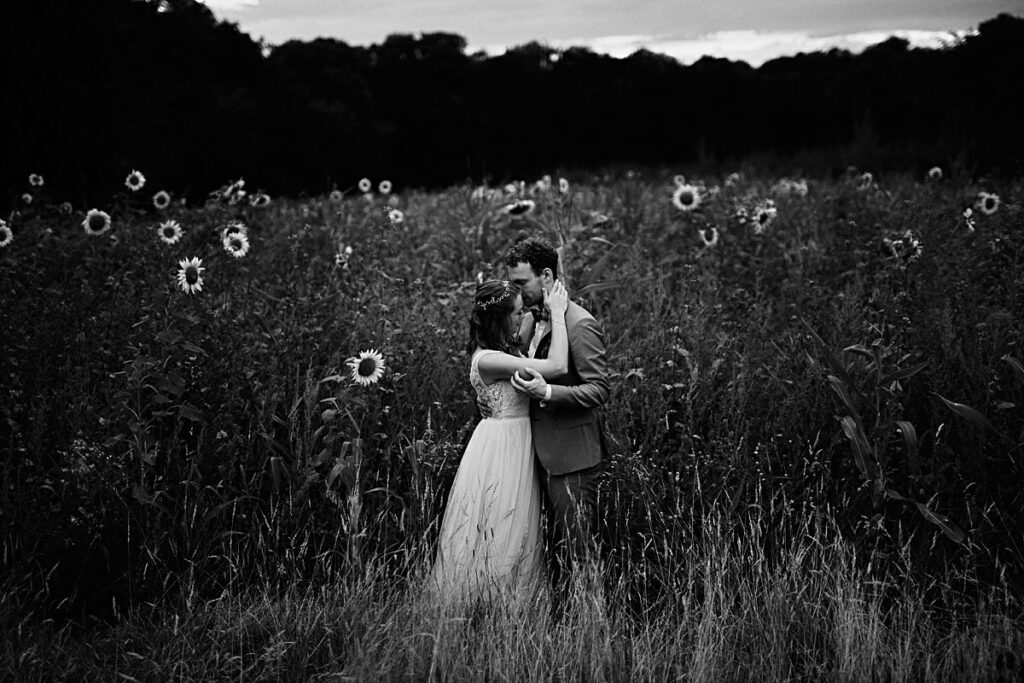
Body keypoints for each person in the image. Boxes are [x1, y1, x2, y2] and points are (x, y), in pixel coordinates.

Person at [429, 278, 570, 604]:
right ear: (501, 319)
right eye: (518, 313)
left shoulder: (503, 349)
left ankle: (505, 610)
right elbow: (556, 366)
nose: (523, 317)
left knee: (514, 524)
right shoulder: (490, 360)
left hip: (512, 441)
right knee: (501, 524)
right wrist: (559, 314)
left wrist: (537, 312)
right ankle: (486, 603)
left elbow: (522, 337)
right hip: (502, 450)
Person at [504, 236, 611, 599]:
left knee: (581, 556)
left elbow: (599, 390)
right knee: (548, 555)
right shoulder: (531, 320)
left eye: (521, 284)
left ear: (546, 276)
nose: (516, 292)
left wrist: (548, 393)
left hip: (572, 462)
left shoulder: (579, 324)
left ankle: (593, 633)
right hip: (536, 458)